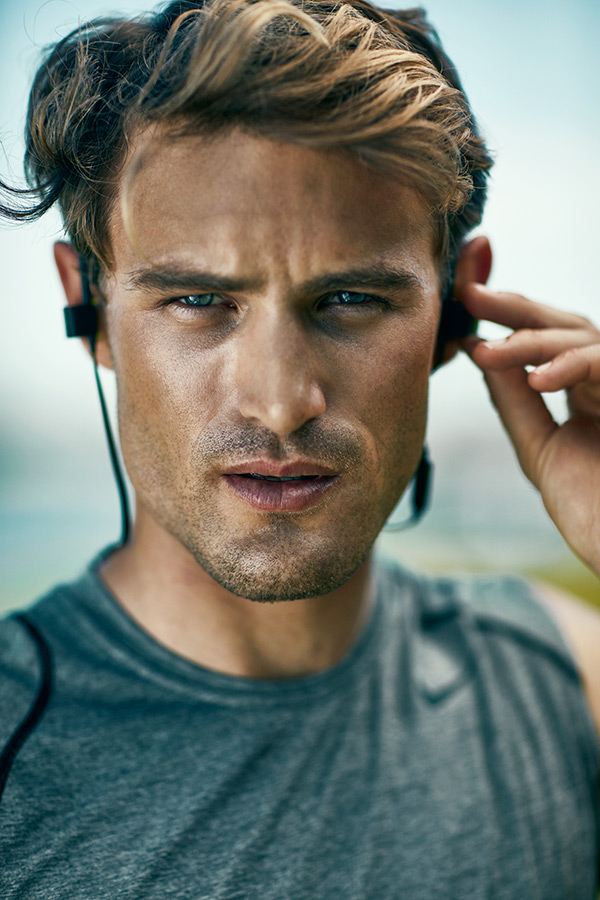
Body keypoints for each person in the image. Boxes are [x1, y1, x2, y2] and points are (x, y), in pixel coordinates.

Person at [0, 0, 598, 896]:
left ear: (455, 310)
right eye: (199, 301)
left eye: (351, 299)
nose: (281, 404)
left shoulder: (563, 678)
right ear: (86, 303)